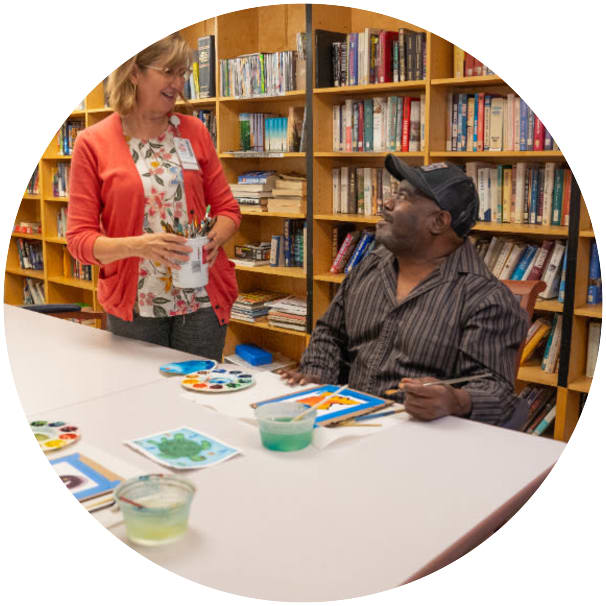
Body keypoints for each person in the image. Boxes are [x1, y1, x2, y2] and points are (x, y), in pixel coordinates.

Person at [279, 156, 529, 427]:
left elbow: (497, 392)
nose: (386, 203)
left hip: (420, 438)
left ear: (438, 222)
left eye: (403, 197)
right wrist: (317, 374)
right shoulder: (371, 264)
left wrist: (455, 400)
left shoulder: (486, 299)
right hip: (345, 419)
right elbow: (330, 333)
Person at [67, 33, 240, 361]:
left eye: (183, 73)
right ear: (134, 71)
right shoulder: (93, 143)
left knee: (201, 401)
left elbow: (227, 209)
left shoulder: (194, 131)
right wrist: (139, 245)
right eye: (168, 72)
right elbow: (79, 241)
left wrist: (214, 239)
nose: (178, 83)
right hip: (136, 304)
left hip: (202, 299)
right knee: (143, 404)